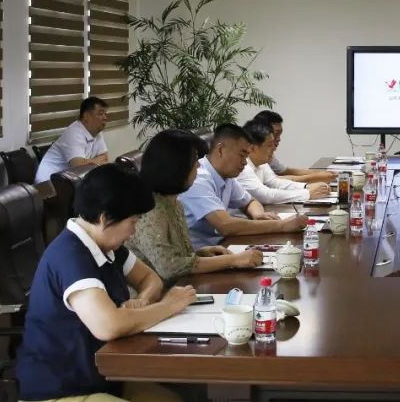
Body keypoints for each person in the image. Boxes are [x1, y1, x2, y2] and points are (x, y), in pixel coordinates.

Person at [16, 164, 196, 402]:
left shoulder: (106, 246)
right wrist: (168, 306)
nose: (134, 231)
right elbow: (108, 325)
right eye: (133, 222)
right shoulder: (70, 255)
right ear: (105, 219)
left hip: (105, 376)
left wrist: (142, 301)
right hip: (60, 390)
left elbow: (149, 279)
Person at [126, 129, 264, 285]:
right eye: (194, 161)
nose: (198, 165)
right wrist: (233, 260)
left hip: (179, 287)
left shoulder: (174, 202)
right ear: (176, 166)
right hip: (152, 295)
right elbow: (170, 268)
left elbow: (177, 255)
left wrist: (201, 253)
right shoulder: (150, 209)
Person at [179, 124, 306, 249]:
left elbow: (250, 201)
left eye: (246, 157)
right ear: (221, 150)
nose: (245, 162)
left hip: (221, 247)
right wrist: (282, 225)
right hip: (200, 255)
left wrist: (258, 215)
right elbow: (225, 225)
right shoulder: (198, 178)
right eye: (242, 155)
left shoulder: (226, 175)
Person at [236, 121, 331, 204]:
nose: (274, 149)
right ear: (252, 148)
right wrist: (307, 193)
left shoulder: (262, 163)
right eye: (269, 145)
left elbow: (275, 183)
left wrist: (306, 186)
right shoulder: (242, 167)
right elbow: (266, 196)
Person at [35, 97, 110, 184]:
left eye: (105, 114)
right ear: (86, 116)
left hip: (69, 180)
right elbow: (79, 167)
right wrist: (95, 161)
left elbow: (105, 158)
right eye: (100, 114)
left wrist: (89, 162)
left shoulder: (96, 131)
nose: (105, 117)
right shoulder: (74, 133)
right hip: (47, 183)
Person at [251, 110, 336, 184]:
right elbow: (274, 182)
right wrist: (315, 178)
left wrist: (319, 173)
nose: (279, 139)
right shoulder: (250, 157)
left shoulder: (266, 156)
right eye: (276, 134)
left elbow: (284, 172)